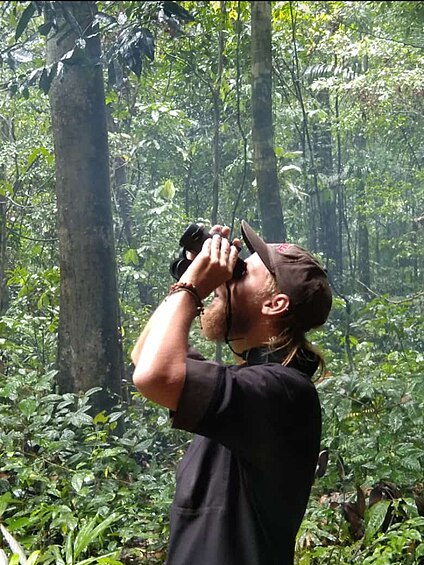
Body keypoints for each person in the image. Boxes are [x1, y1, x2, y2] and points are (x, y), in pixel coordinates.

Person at [131, 220, 332, 565]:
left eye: (239, 273)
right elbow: (144, 356)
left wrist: (193, 287)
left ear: (275, 304)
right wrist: (186, 282)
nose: (227, 279)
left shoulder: (283, 391)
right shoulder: (250, 386)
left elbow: (153, 375)